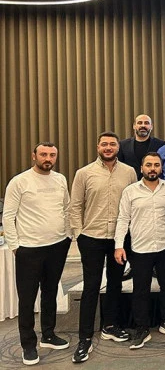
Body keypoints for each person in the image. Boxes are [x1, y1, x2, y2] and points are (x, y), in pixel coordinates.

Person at [69, 132, 137, 363]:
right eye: (104, 144)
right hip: (92, 237)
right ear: (98, 146)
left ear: (118, 147)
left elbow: (132, 204)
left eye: (112, 144)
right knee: (91, 286)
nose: (108, 147)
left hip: (120, 239)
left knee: (116, 283)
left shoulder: (129, 172)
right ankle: (85, 337)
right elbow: (75, 206)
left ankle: (110, 325)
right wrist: (79, 234)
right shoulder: (84, 173)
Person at [3, 142, 71, 366]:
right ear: (34, 156)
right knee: (27, 298)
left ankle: (48, 335)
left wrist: (68, 235)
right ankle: (28, 345)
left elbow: (66, 208)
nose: (47, 158)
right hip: (29, 249)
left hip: (58, 245)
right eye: (43, 154)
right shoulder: (19, 181)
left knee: (50, 292)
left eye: (52, 155)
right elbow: (8, 215)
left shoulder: (60, 179)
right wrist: (15, 246)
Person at [114, 152, 165, 350]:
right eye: (149, 165)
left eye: (156, 165)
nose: (153, 169)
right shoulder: (130, 191)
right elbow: (123, 219)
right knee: (140, 289)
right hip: (140, 248)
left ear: (161, 168)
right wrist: (119, 245)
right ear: (141, 168)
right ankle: (142, 328)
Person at [117, 114, 165, 179]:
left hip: (153, 182)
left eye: (146, 123)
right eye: (140, 123)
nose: (143, 125)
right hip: (129, 183)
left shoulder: (160, 144)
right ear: (134, 126)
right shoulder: (123, 145)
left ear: (151, 126)